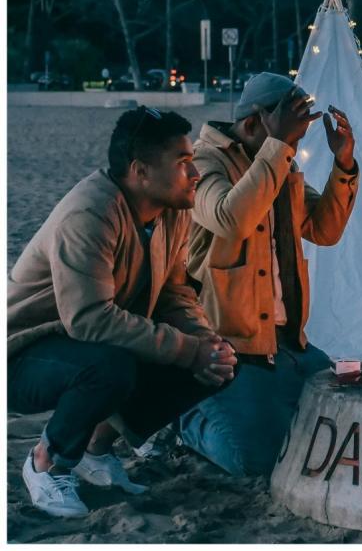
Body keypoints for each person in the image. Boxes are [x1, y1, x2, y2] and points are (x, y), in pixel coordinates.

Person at [7, 107, 236, 518]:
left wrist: (204, 341)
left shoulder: (171, 211)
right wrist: (188, 351)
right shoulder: (90, 214)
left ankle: (95, 450)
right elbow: (89, 319)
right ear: (140, 171)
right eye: (183, 162)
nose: (195, 173)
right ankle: (46, 461)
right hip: (25, 355)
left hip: (88, 344)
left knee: (219, 361)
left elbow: (174, 294)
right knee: (110, 367)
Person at [179, 72, 359, 477]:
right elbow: (230, 218)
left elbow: (325, 230)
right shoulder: (203, 162)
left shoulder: (279, 163)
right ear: (252, 124)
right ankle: (182, 419)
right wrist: (278, 147)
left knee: (346, 421)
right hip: (226, 344)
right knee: (256, 460)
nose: (294, 146)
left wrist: (344, 163)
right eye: (289, 134)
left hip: (285, 340)